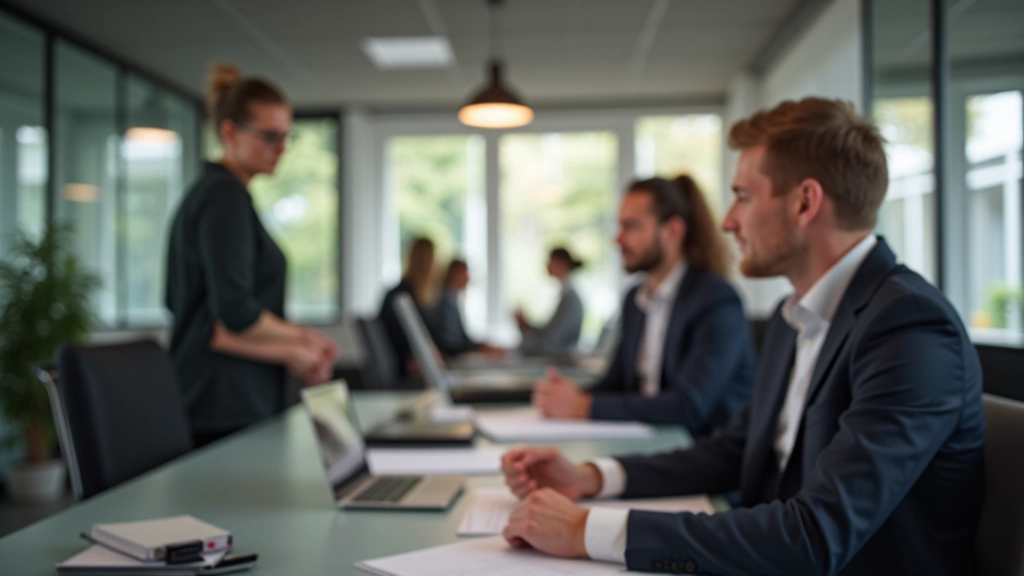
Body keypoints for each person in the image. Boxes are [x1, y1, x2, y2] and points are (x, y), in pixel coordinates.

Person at [499, 98, 985, 575]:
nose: (728, 220)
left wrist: (588, 531)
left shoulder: (908, 326)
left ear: (805, 202)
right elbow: (733, 451)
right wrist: (590, 477)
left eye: (744, 197)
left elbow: (815, 536)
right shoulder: (792, 317)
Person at [166, 64, 337, 448]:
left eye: (286, 137)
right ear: (230, 132)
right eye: (270, 136)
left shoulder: (219, 194)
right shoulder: (223, 197)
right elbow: (234, 313)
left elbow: (218, 323)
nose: (281, 148)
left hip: (223, 395)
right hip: (223, 400)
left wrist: (297, 347)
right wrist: (303, 339)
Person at [532, 176, 755, 434]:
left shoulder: (715, 299)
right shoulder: (635, 300)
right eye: (620, 226)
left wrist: (585, 406)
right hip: (649, 442)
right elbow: (617, 383)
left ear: (672, 231)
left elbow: (689, 406)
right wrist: (566, 397)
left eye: (632, 227)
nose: (618, 239)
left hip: (703, 453)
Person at [378, 236, 436, 376]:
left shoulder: (417, 295)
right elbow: (393, 339)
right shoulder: (400, 296)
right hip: (405, 369)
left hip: (416, 365)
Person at [514, 247, 585, 356]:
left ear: (562, 263)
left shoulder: (570, 300)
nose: (547, 266)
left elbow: (550, 343)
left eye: (550, 261)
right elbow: (548, 333)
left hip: (560, 362)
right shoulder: (566, 296)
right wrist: (526, 326)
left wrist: (521, 343)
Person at [430, 259, 505, 358]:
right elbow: (447, 342)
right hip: (449, 358)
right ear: (454, 274)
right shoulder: (441, 301)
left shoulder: (453, 300)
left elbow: (463, 337)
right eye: (465, 274)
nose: (468, 279)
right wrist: (479, 348)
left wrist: (481, 346)